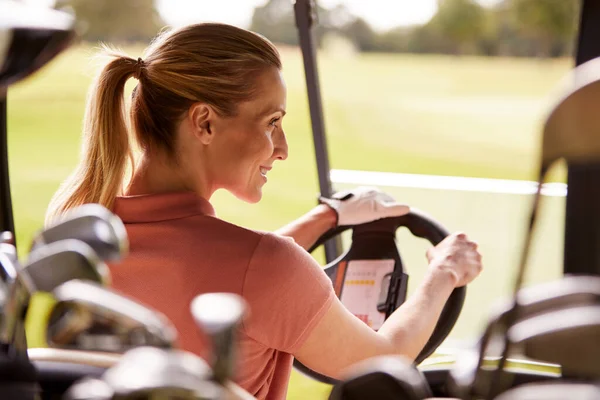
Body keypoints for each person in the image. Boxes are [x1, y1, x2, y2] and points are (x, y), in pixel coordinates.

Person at [45, 23, 483, 400]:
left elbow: (227, 272)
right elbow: (384, 360)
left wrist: (327, 218)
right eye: (272, 122)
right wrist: (443, 272)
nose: (284, 148)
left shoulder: (77, 242)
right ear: (205, 123)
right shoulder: (268, 267)